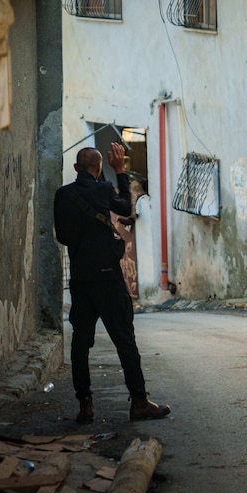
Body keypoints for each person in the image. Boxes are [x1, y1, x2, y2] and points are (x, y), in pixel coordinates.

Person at [54, 143, 171, 423]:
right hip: (108, 277)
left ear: (75, 168)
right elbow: (123, 206)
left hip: (81, 280)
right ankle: (139, 402)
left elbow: (63, 238)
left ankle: (85, 406)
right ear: (97, 169)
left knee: (80, 344)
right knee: (124, 340)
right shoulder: (103, 188)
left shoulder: (62, 194)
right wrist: (119, 171)